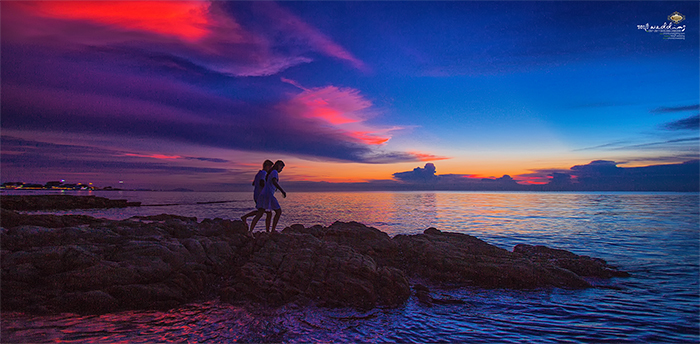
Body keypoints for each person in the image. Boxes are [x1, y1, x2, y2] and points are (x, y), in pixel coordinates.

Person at [250, 160, 286, 233]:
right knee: (278, 211)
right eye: (281, 168)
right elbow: (274, 181)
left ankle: (250, 231)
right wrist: (282, 190)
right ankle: (272, 230)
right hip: (268, 195)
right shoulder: (274, 172)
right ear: (278, 166)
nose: (281, 170)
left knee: (261, 213)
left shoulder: (269, 173)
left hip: (264, 194)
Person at [241, 160, 273, 234]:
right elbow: (262, 182)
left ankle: (245, 217)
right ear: (267, 166)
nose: (271, 169)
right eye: (270, 167)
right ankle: (252, 231)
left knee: (263, 212)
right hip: (261, 196)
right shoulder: (264, 173)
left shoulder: (259, 173)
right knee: (262, 213)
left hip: (257, 195)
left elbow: (253, 183)